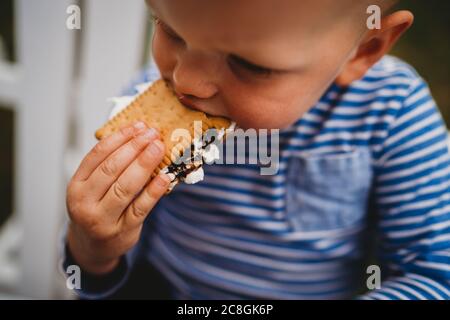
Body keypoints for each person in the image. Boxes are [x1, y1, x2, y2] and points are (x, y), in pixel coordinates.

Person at [63, 0, 450, 299]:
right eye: (170, 30)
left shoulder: (390, 110)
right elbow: (106, 280)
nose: (185, 80)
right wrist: (94, 250)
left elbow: (435, 274)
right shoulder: (147, 102)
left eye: (248, 65)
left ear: (364, 49)